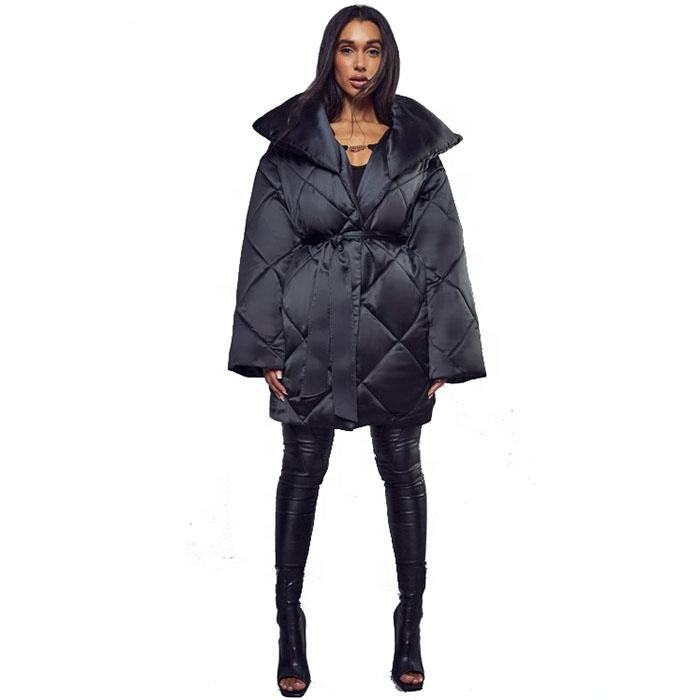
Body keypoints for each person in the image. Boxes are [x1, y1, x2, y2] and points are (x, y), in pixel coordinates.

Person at [227, 5, 486, 695]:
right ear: (331, 56)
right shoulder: (288, 147)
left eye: (373, 50)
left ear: (386, 58)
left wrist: (445, 352)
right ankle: (289, 624)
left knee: (402, 471)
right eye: (348, 49)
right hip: (309, 331)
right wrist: (265, 348)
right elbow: (264, 250)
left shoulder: (416, 149)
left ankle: (410, 627)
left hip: (399, 331)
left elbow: (444, 250)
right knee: (301, 470)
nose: (361, 63)